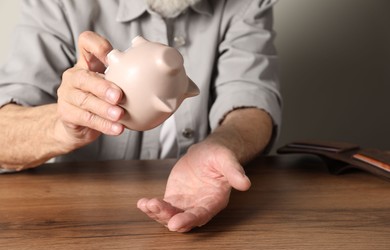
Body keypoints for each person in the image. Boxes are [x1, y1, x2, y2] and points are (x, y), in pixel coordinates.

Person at [0, 0, 281, 232]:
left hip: (207, 214)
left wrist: (222, 145)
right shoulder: (58, 5)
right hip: (85, 221)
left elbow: (250, 97)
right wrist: (61, 127)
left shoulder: (243, 5)